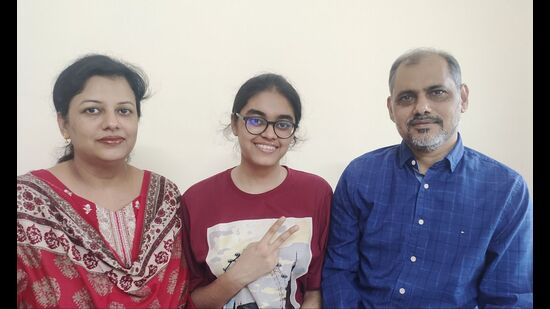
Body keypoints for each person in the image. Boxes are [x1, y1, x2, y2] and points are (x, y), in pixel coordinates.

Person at [322, 48, 533, 308]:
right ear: (391, 108)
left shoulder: (506, 190)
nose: (422, 107)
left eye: (437, 92)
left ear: (463, 98)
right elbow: (338, 271)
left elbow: (509, 297)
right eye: (406, 97)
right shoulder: (359, 176)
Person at [17, 54, 191, 308]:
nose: (112, 123)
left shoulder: (165, 195)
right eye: (92, 110)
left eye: (124, 111)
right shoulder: (27, 200)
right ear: (63, 123)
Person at [181, 73, 333, 308]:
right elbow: (189, 301)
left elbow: (315, 291)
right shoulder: (196, 201)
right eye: (256, 120)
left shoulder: (316, 193)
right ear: (234, 123)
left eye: (283, 124)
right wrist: (238, 275)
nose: (270, 134)